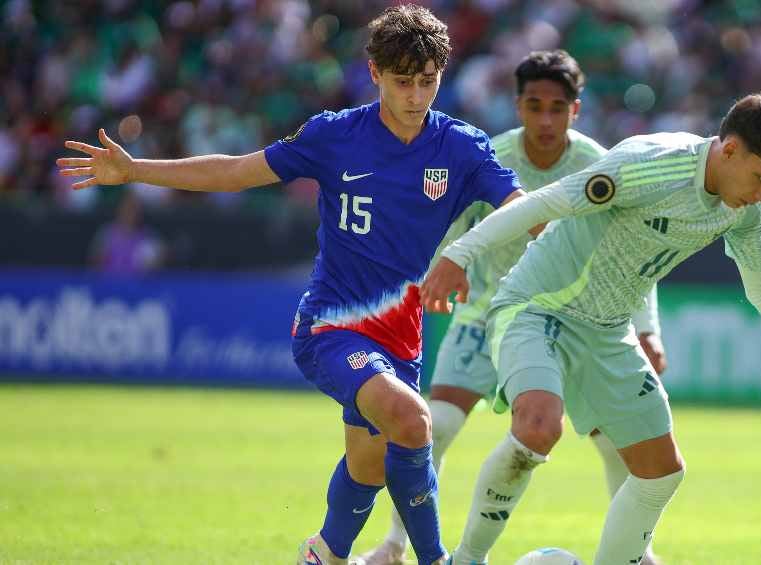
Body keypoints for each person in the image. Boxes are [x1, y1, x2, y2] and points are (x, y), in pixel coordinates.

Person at [57, 5, 524, 565]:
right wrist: (137, 170)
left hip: (401, 335)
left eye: (428, 81)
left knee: (370, 465)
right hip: (330, 327)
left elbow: (520, 207)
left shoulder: (461, 146)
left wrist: (467, 252)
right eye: (403, 81)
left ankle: (324, 553)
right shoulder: (335, 135)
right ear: (374, 73)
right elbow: (237, 171)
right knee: (412, 419)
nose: (417, 95)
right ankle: (435, 559)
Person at [422, 92, 761, 564]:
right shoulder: (652, 164)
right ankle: (466, 559)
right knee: (538, 425)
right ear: (731, 149)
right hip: (537, 307)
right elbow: (546, 202)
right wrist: (458, 255)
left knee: (662, 472)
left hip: (609, 331)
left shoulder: (747, 209)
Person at [362, 50, 667, 565]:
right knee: (436, 424)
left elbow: (628, 255)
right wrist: (439, 273)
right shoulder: (489, 158)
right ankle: (395, 544)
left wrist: (647, 328)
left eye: (557, 108)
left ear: (575, 109)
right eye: (534, 106)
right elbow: (447, 230)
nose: (545, 120)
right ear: (517, 105)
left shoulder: (601, 166)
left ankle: (642, 552)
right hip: (487, 312)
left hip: (576, 320)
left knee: (616, 439)